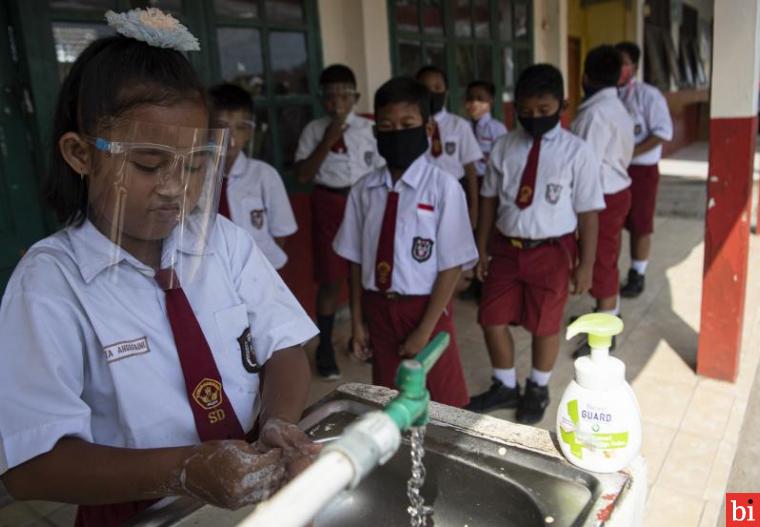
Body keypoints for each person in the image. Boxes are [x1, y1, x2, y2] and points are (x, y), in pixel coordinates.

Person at [0, 9, 318, 527]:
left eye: (193, 164)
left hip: (246, 480)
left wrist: (278, 423)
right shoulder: (49, 284)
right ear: (81, 154)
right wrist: (185, 468)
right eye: (148, 164)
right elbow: (32, 465)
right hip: (134, 507)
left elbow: (284, 343)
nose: (175, 187)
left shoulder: (221, 242)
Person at [466, 65, 604, 423]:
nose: (534, 119)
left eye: (544, 111)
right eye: (526, 113)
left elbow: (589, 212)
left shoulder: (578, 152)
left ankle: (538, 386)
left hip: (553, 251)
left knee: (545, 324)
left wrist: (586, 264)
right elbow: (489, 201)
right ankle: (505, 383)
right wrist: (480, 247)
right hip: (507, 247)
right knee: (491, 319)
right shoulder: (504, 146)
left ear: (563, 104)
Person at [333, 77, 477, 408]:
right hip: (378, 306)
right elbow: (354, 261)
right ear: (376, 132)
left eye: (407, 124)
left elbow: (452, 265)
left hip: (425, 308)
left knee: (442, 400)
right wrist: (357, 322)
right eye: (386, 125)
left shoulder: (444, 188)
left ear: (427, 130)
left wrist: (424, 330)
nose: (396, 132)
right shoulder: (363, 190)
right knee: (389, 395)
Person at [294, 64, 383, 380]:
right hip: (329, 204)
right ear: (322, 100)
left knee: (368, 275)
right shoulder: (314, 130)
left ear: (356, 97)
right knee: (331, 278)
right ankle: (325, 347)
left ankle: (366, 336)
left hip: (366, 203)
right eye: (329, 97)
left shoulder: (371, 128)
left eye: (343, 96)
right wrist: (329, 138)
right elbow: (303, 174)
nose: (337, 103)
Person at [571, 45, 634, 357]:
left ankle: (605, 334)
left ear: (585, 76)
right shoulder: (616, 107)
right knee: (608, 257)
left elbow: (584, 165)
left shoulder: (594, 114)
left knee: (601, 262)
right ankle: (608, 312)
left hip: (601, 196)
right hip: (616, 189)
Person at [209, 83, 297, 271]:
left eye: (240, 127)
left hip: (258, 272)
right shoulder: (195, 177)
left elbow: (280, 234)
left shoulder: (265, 176)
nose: (230, 136)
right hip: (213, 271)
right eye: (222, 126)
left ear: (249, 132)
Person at [615, 41, 673, 297]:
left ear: (635, 67)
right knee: (612, 223)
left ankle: (637, 273)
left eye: (624, 63)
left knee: (640, 224)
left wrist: (631, 154)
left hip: (641, 170)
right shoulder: (608, 95)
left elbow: (663, 132)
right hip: (614, 170)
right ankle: (609, 273)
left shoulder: (649, 95)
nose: (619, 68)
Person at [415, 65, 482, 229]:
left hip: (455, 194)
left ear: (446, 92)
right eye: (425, 88)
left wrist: (473, 211)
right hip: (420, 194)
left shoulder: (459, 125)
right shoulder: (412, 126)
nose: (432, 93)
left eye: (437, 87)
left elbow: (470, 171)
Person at [465, 80, 509, 180]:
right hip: (466, 178)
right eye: (470, 99)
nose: (474, 103)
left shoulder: (497, 128)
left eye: (480, 99)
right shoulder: (462, 126)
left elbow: (503, 157)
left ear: (491, 101)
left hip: (489, 178)